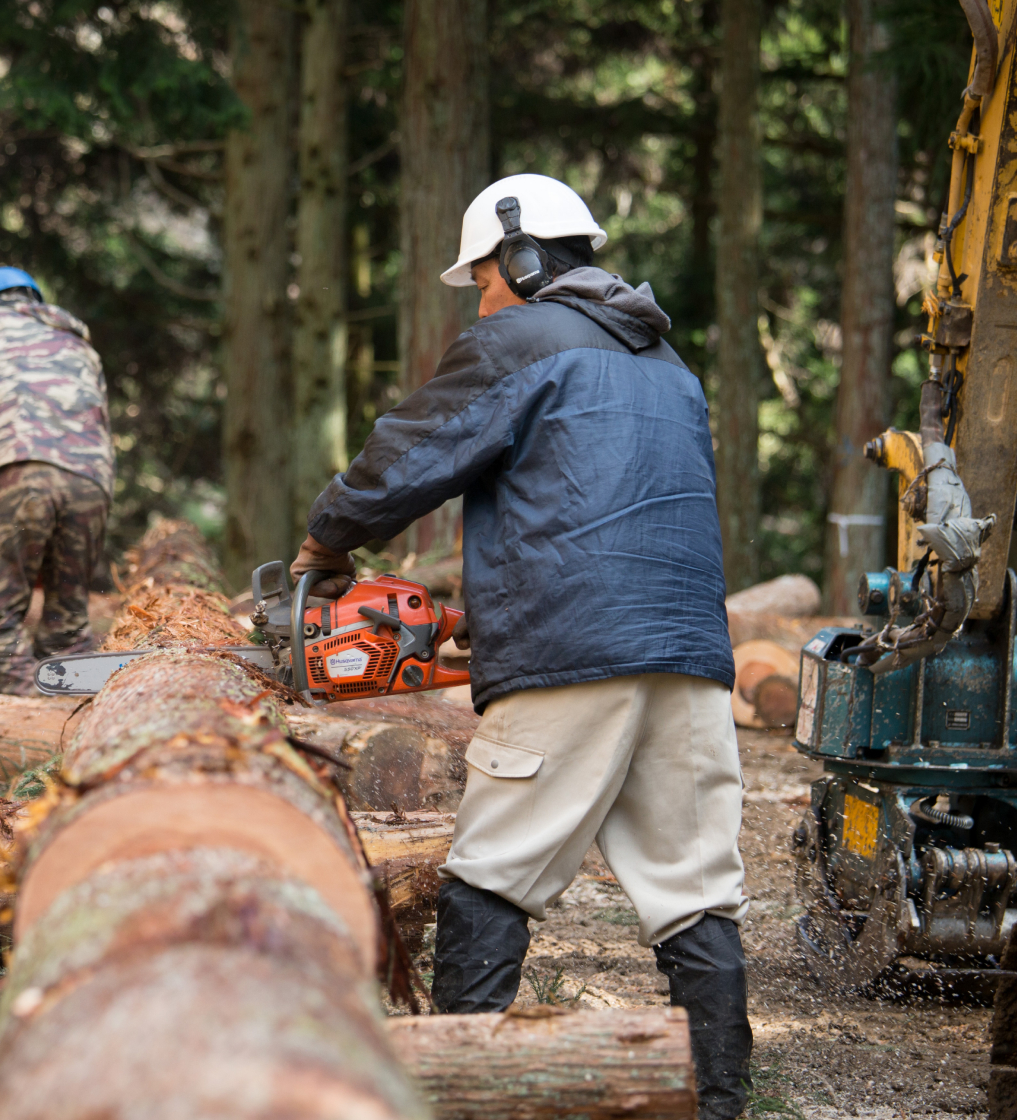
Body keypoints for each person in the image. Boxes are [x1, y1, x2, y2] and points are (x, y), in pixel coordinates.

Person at [291, 173, 751, 1120]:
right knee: (698, 895)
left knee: (492, 876)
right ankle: (724, 1105)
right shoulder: (672, 367)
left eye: (486, 279)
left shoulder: (520, 339)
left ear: (523, 256)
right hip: (691, 660)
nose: (483, 299)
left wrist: (327, 536)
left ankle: (457, 1097)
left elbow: (410, 451)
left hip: (569, 657)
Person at [0, 266, 114, 695]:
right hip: (91, 480)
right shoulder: (76, 339)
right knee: (67, 628)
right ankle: (82, 714)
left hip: (14, 467)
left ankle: (32, 729)